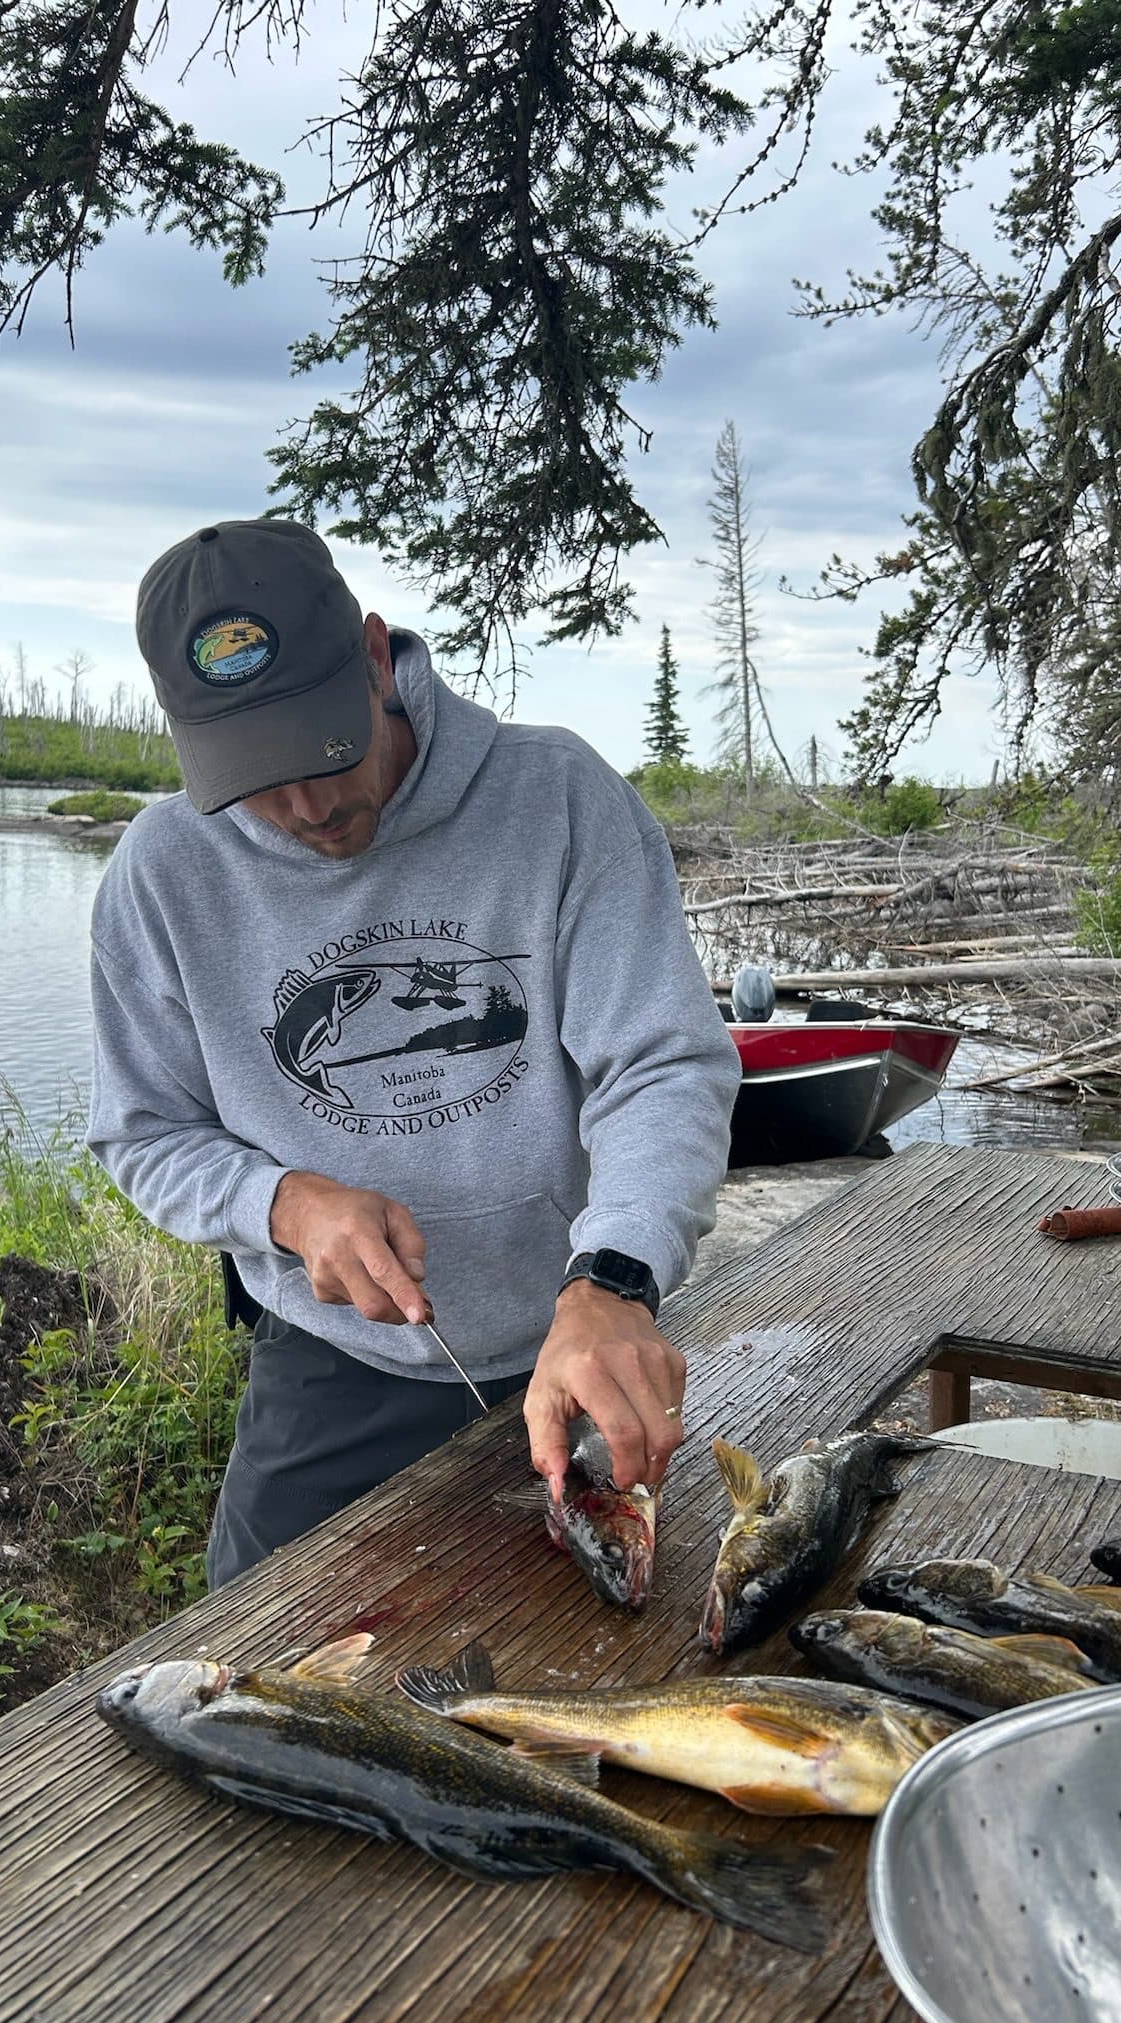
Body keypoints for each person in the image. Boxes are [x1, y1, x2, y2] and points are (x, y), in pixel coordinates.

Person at [87, 518, 739, 1588]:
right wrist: (287, 1203)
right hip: (331, 1362)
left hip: (570, 1340)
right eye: (258, 775)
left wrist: (615, 1279)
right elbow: (143, 1131)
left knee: (611, 1641)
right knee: (243, 1656)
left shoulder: (559, 798)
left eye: (324, 750)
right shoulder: (161, 877)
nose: (308, 807)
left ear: (378, 657)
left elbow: (663, 1066)